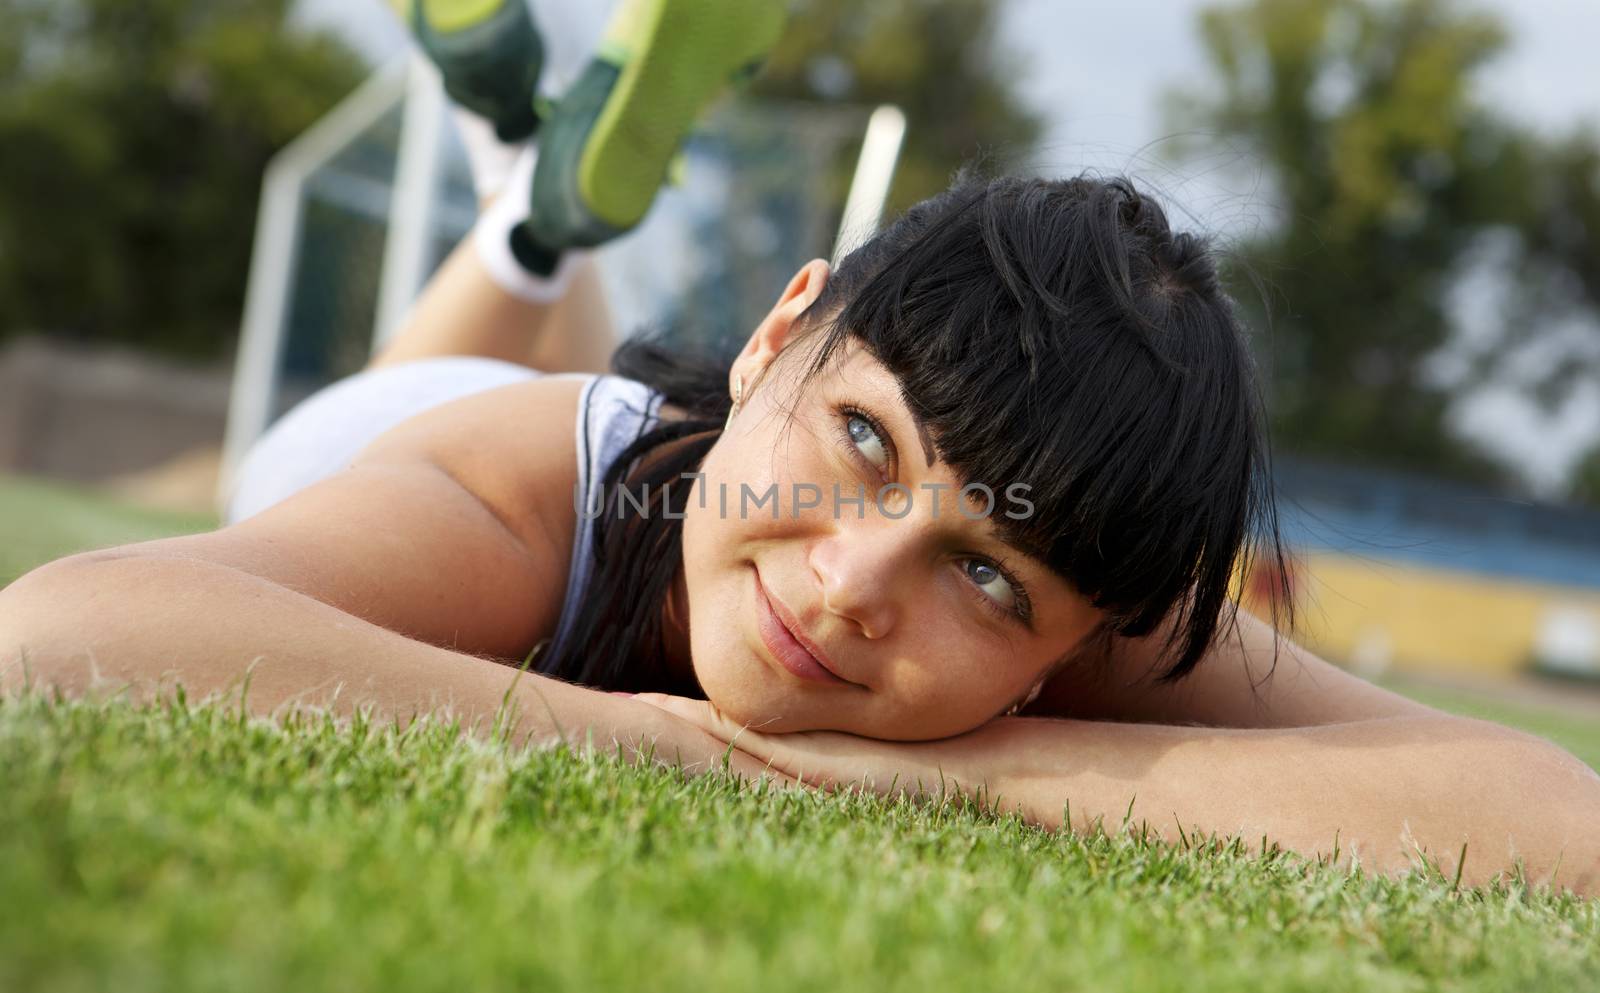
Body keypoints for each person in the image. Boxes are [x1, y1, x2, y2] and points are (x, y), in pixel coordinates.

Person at [3, 0, 1598, 896]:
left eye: (980, 571)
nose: (849, 587)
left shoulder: (1075, 557)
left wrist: (1006, 769)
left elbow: (1557, 827)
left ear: (1072, 643)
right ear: (784, 324)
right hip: (391, 437)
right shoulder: (517, 490)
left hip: (711, 450)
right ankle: (531, 207)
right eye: (862, 437)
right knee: (484, 394)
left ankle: (546, 196)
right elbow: (61, 632)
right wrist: (684, 743)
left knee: (686, 424)